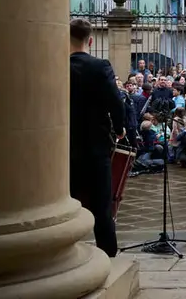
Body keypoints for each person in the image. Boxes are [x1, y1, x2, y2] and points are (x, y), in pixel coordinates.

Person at [68, 18, 125, 257]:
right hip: (96, 147)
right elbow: (116, 102)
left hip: (64, 148)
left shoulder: (56, 65)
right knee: (102, 207)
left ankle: (68, 254)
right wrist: (121, 128)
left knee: (67, 204)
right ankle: (109, 256)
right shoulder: (100, 66)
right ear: (90, 40)